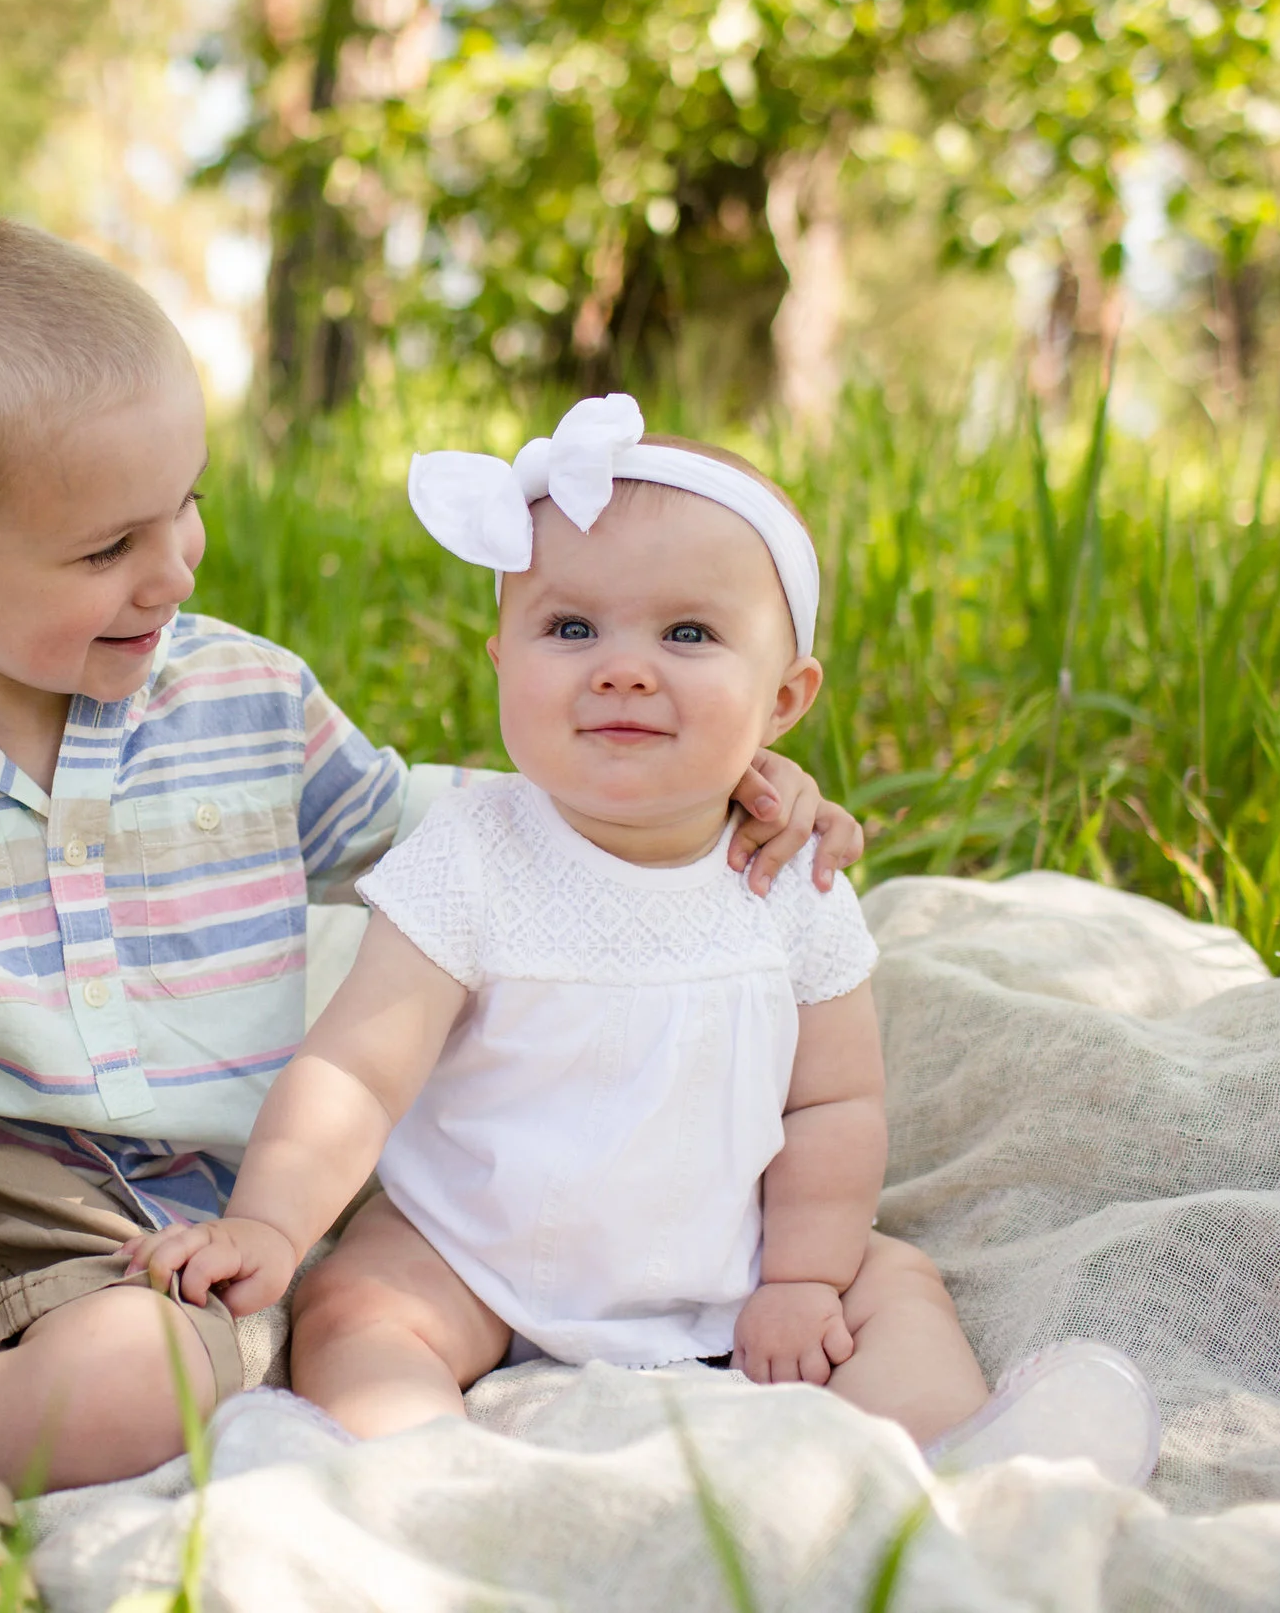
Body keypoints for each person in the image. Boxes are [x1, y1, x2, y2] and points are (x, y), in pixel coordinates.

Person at [0, 223, 862, 1611]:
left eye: (182, 507)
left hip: (139, 1247)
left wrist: (711, 782)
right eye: (106, 547)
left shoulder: (244, 699)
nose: (174, 568)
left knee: (170, 1375)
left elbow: (482, 822)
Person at [127, 397, 1163, 1484]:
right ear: (499, 659)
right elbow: (355, 1069)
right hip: (477, 1249)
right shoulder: (469, 853)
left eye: (687, 633)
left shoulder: (790, 874)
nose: (621, 667)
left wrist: (803, 1277)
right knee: (355, 1301)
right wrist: (271, 1225)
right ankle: (425, 1481)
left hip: (734, 1254)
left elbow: (833, 1102)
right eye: (570, 628)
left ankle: (974, 1466)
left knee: (891, 1279)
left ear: (783, 698)